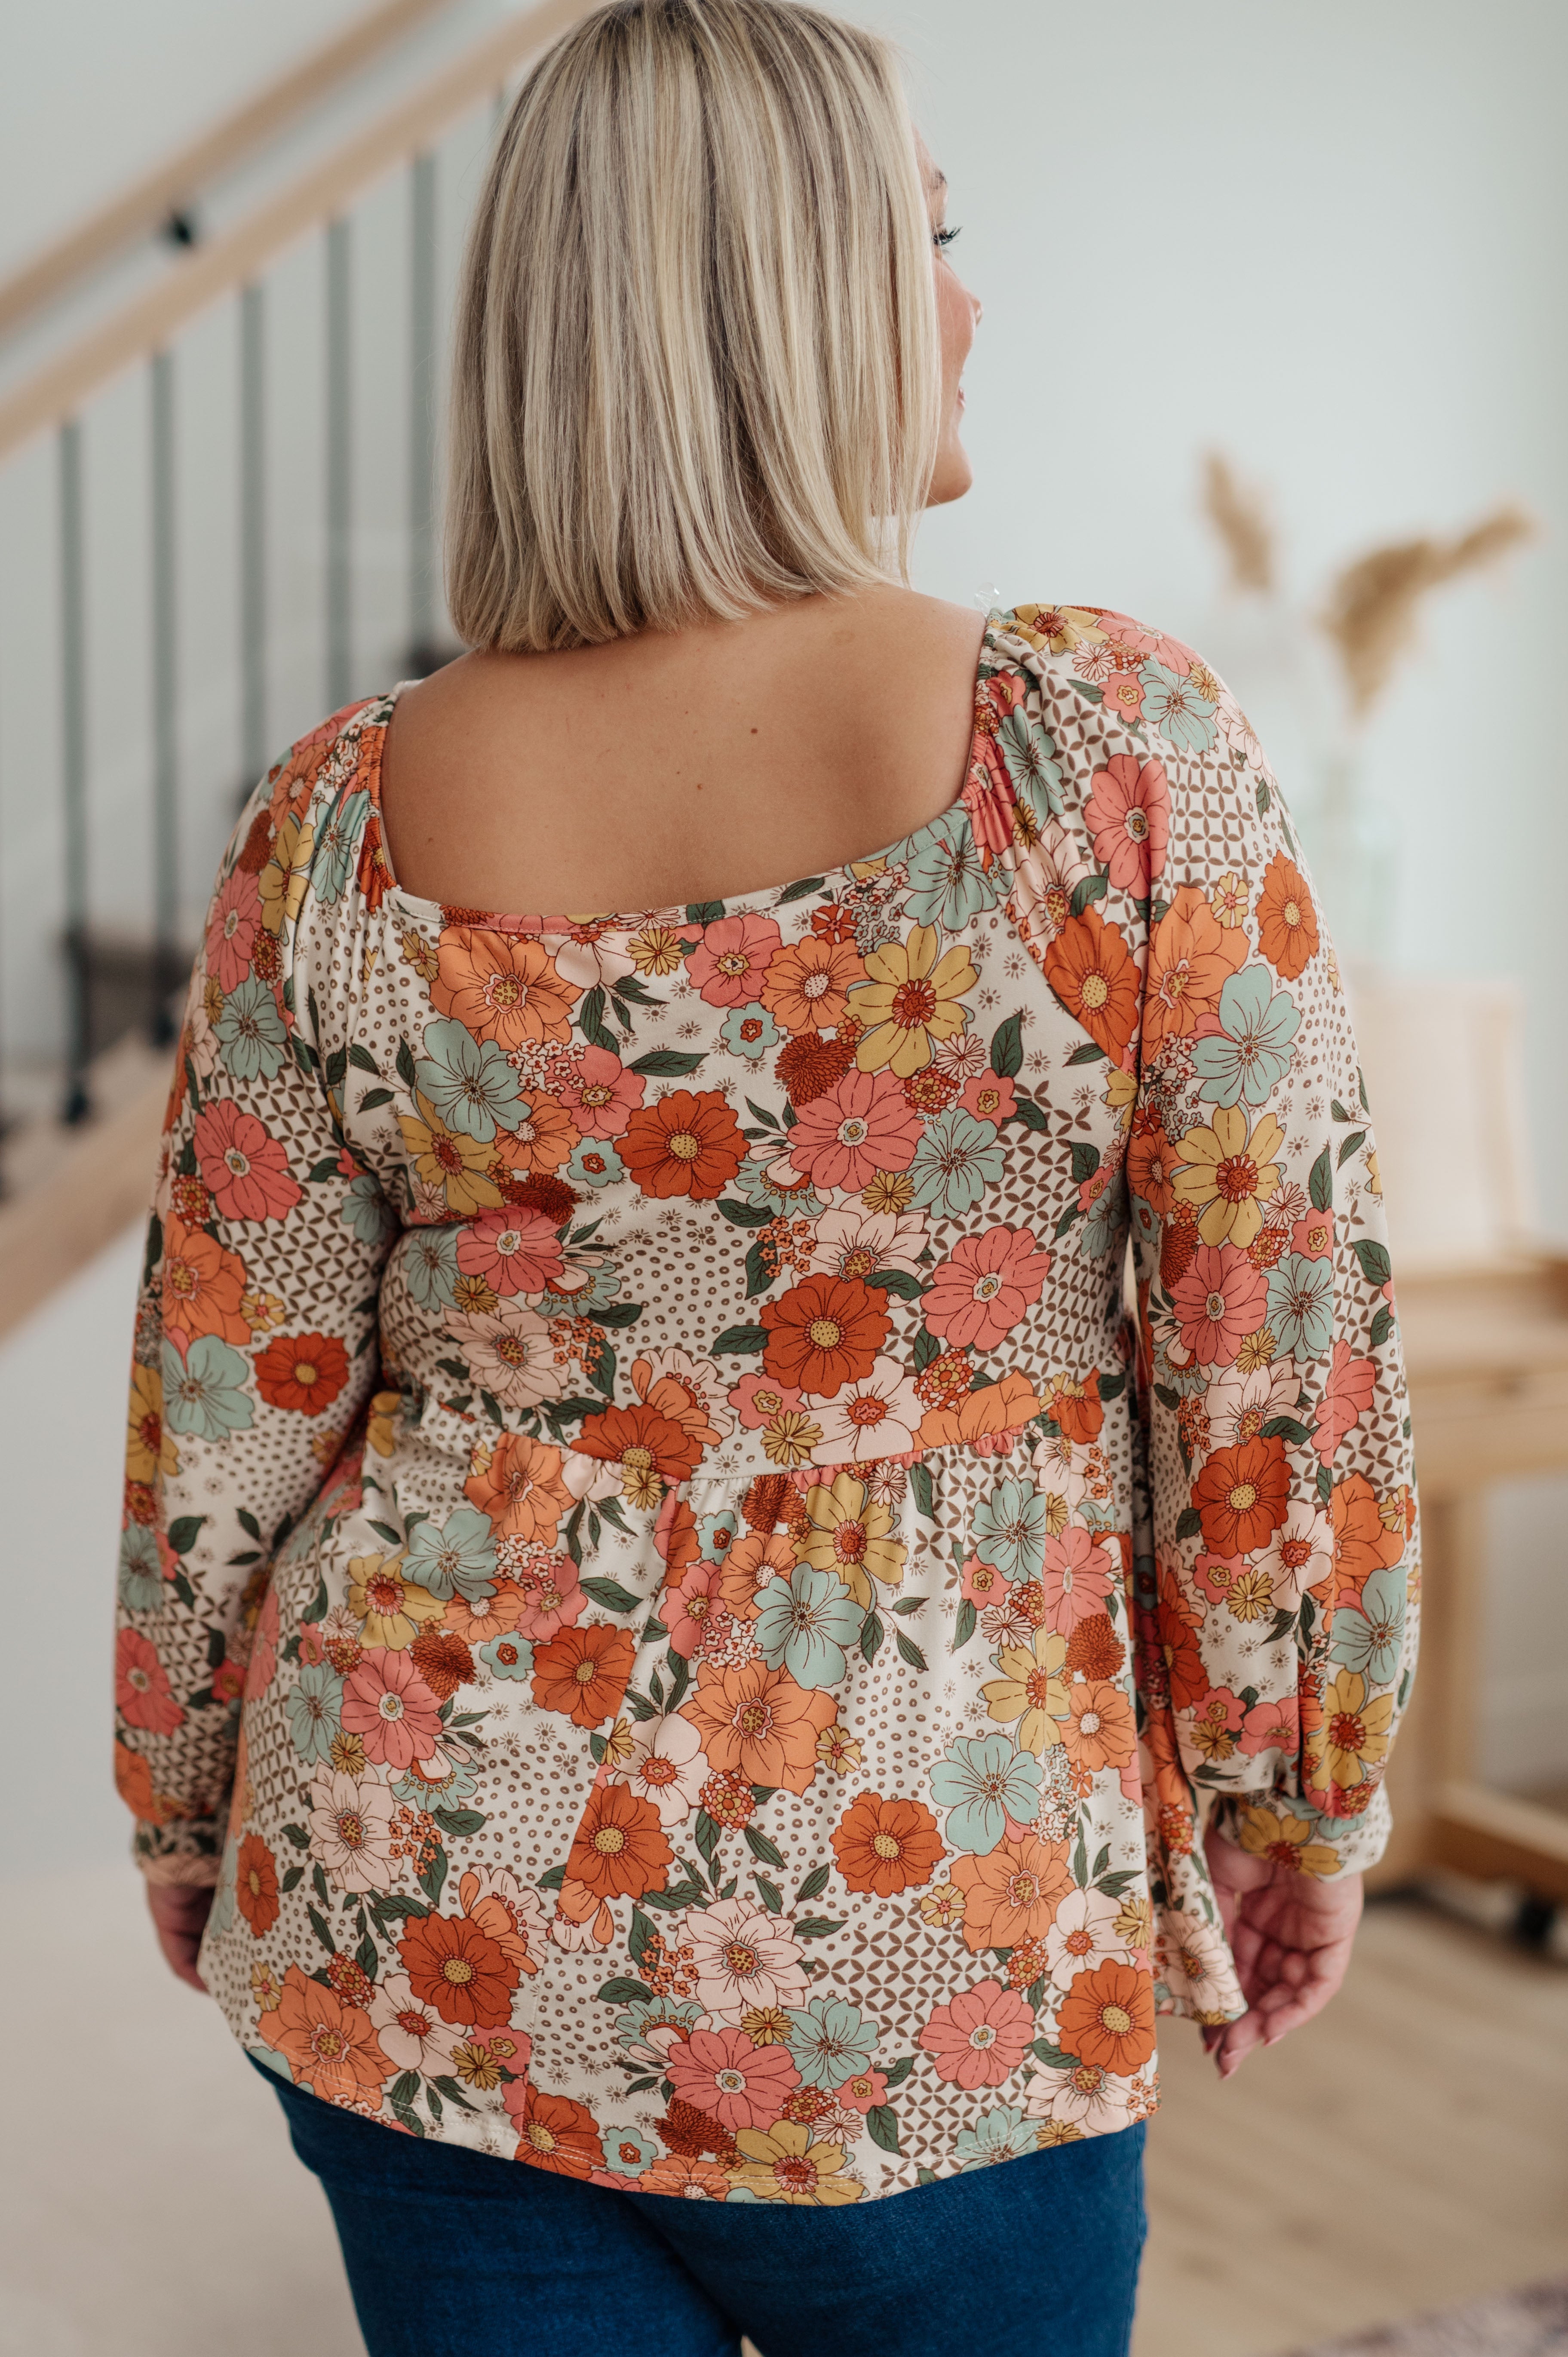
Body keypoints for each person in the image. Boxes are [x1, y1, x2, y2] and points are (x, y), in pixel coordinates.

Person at [115, 3, 1418, 2351]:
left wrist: (186, 1794)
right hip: (927, 1915)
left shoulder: (335, 818)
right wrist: (1297, 1793)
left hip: (418, 1879)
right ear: (792, 295)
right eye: (932, 235)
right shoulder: (1102, 752)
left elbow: (229, 1398)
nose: (969, 299)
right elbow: (1279, 1351)